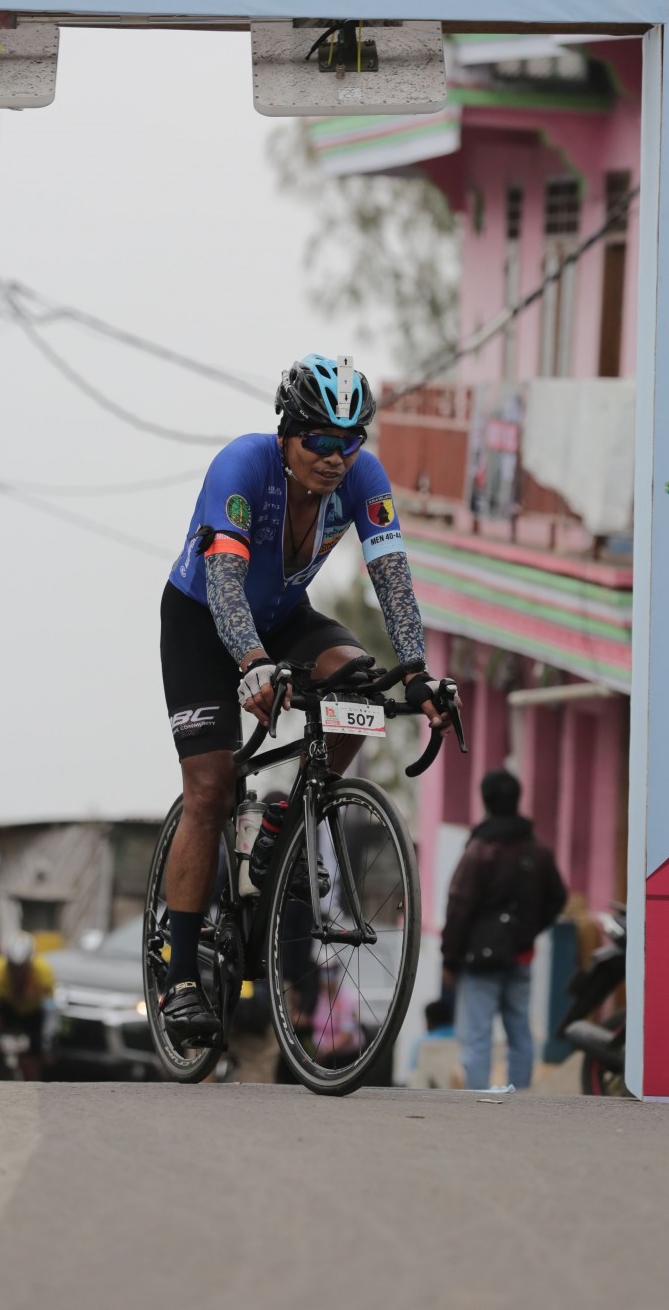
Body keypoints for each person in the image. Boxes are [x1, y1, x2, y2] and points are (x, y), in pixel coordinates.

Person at [159, 353, 453, 1042]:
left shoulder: (363, 479)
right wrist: (252, 665)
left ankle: (286, 829)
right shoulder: (242, 467)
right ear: (288, 433)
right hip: (202, 621)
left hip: (286, 617)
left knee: (361, 685)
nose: (334, 457)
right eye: (320, 439)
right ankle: (180, 978)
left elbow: (394, 579)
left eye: (349, 441)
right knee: (210, 790)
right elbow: (225, 585)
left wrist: (418, 673)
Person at [441, 768, 567, 1091]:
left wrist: (449, 958)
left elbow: (459, 906)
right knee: (520, 1031)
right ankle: (519, 1099)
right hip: (521, 955)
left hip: (479, 960)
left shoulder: (479, 850)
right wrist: (528, 932)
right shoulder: (537, 850)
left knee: (478, 1036)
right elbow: (558, 897)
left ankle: (479, 1101)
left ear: (485, 801)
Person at [0, 933, 58, 1082]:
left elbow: (50, 1009)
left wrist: (49, 1037)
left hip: (33, 1011)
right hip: (7, 1007)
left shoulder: (44, 971)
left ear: (30, 961)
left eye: (22, 967)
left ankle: (32, 1085)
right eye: (13, 967)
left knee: (35, 1057)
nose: (17, 972)